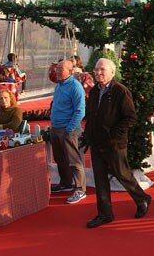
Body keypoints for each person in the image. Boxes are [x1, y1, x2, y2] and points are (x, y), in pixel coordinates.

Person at [85, 58, 152, 228]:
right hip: (96, 142)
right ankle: (105, 214)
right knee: (100, 179)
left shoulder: (120, 91)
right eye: (96, 69)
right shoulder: (94, 91)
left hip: (114, 143)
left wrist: (113, 134)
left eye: (102, 69)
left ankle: (142, 198)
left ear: (112, 72)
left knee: (123, 175)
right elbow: (91, 114)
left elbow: (130, 117)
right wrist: (88, 134)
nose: (98, 72)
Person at [50, 59, 87, 204]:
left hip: (68, 129)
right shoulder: (58, 86)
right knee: (60, 159)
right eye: (57, 68)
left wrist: (69, 129)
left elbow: (80, 111)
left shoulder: (75, 87)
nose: (57, 71)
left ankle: (80, 189)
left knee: (73, 160)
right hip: (56, 128)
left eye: (61, 69)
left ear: (70, 71)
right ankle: (66, 183)